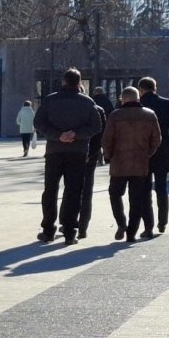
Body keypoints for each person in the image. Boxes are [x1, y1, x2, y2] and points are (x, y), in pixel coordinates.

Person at [33, 68, 102, 245]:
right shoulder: (87, 102)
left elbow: (39, 123)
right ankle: (70, 231)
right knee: (73, 191)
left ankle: (48, 229)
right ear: (79, 83)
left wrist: (57, 135)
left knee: (50, 190)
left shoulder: (50, 100)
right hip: (78, 151)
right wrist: (76, 134)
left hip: (54, 150)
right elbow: (96, 126)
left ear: (63, 82)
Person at [102, 87, 161, 242]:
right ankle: (131, 232)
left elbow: (107, 140)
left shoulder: (115, 116)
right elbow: (157, 139)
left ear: (123, 99)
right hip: (140, 163)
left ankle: (121, 223)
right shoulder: (149, 115)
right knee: (136, 199)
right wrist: (147, 153)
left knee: (115, 194)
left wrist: (108, 156)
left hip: (119, 163)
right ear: (138, 98)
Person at [138, 77, 169, 236]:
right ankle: (162, 223)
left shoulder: (139, 105)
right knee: (162, 188)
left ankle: (147, 227)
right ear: (154, 88)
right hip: (162, 149)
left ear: (141, 90)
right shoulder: (167, 103)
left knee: (144, 189)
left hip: (142, 150)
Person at [76, 87, 107, 239]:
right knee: (87, 190)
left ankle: (68, 222)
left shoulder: (73, 110)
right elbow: (102, 134)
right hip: (91, 155)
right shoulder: (99, 109)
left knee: (71, 189)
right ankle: (83, 227)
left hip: (73, 154)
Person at [91, 87, 115, 166]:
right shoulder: (107, 101)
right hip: (107, 124)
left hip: (95, 124)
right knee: (106, 141)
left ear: (95, 92)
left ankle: (99, 159)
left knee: (97, 142)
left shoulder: (93, 101)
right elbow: (112, 111)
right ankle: (107, 158)